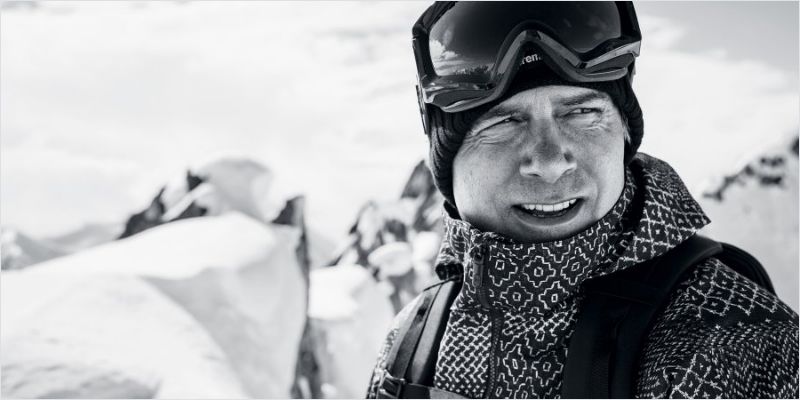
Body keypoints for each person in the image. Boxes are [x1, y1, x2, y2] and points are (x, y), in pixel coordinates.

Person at [365, 2, 799, 398]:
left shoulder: (730, 348)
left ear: (623, 133)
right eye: (504, 122)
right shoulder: (412, 343)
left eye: (581, 112)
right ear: (446, 160)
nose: (550, 162)